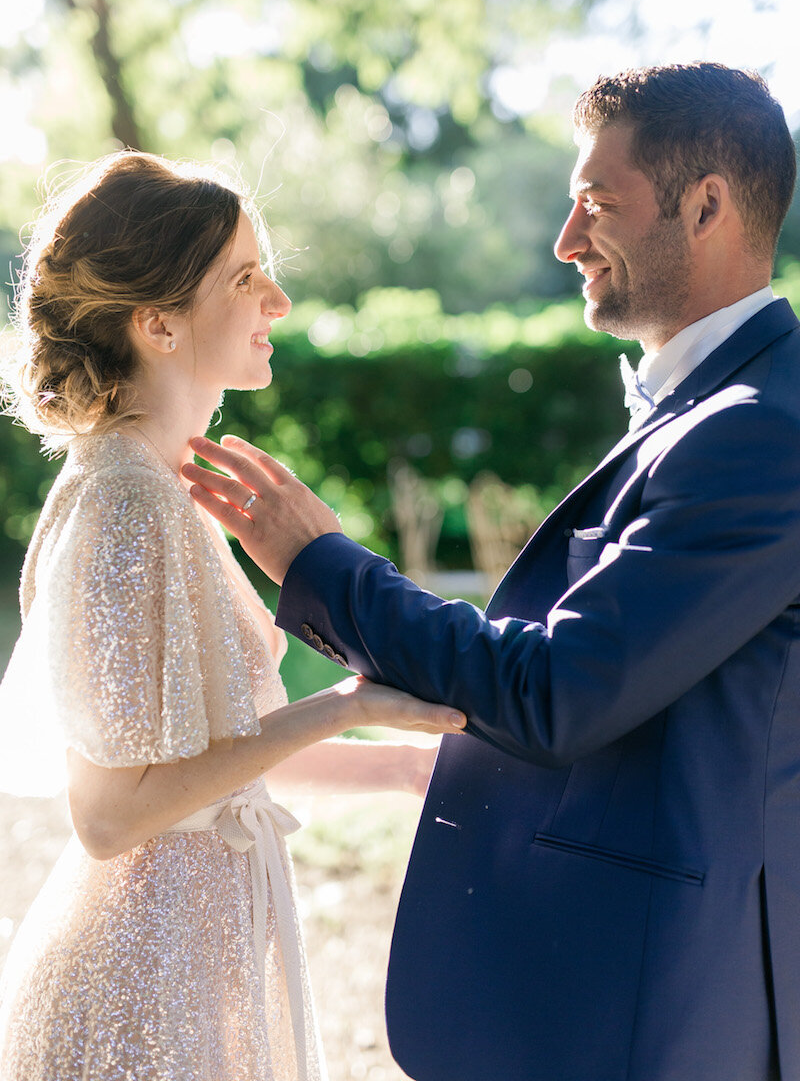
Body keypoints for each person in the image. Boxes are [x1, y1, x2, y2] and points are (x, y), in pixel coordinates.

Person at [183, 62, 800, 1081]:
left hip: (663, 1010)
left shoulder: (759, 433)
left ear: (705, 207)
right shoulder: (724, 412)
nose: (565, 241)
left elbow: (555, 691)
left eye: (597, 203)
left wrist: (320, 565)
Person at [0, 151, 466, 1081]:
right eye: (246, 278)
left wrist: (414, 770)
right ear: (158, 323)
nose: (279, 302)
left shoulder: (164, 485)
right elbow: (106, 814)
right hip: (136, 1001)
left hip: (193, 976)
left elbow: (214, 765)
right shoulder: (124, 504)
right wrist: (346, 705)